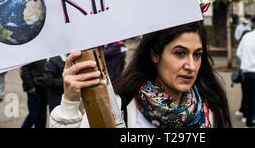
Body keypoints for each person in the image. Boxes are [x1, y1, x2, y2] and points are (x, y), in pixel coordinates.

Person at [50, 21, 231, 128]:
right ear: (155, 54)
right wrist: (70, 103)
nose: (191, 66)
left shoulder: (210, 109)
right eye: (180, 53)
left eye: (197, 55)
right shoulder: (118, 108)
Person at [20, 59, 48, 128]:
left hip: (45, 88)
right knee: (34, 115)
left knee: (42, 116)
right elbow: (24, 70)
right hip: (34, 90)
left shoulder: (47, 53)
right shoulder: (33, 53)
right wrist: (30, 86)